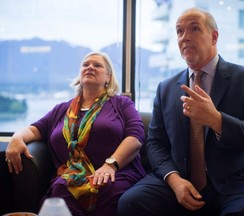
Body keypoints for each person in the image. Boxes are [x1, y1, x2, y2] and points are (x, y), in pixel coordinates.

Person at [118, 7, 244, 216]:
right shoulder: (165, 88)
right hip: (181, 179)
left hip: (237, 183)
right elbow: (155, 143)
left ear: (214, 37)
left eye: (194, 29)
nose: (185, 37)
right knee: (130, 203)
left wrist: (217, 120)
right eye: (179, 31)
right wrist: (174, 180)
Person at [5, 51, 146, 216]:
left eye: (97, 65)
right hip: (70, 180)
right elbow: (34, 129)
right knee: (60, 192)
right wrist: (17, 137)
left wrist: (110, 165)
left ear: (108, 77)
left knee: (110, 189)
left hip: (114, 176)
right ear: (80, 75)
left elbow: (135, 137)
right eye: (86, 65)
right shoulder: (62, 109)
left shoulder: (121, 104)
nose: (90, 67)